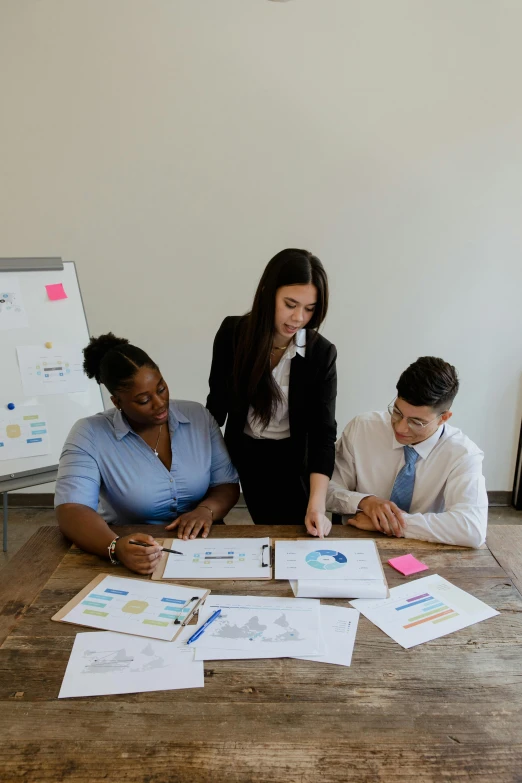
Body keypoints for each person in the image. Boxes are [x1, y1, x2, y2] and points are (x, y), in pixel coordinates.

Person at [55, 333, 239, 574]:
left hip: (202, 547)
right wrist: (114, 547)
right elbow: (72, 509)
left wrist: (207, 510)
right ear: (117, 401)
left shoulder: (197, 417)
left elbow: (226, 483)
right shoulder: (89, 433)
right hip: (131, 548)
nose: (160, 403)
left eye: (161, 388)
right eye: (143, 400)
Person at [207, 248, 337, 537]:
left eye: (310, 308)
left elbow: (323, 434)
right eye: (290, 304)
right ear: (267, 292)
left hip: (291, 461)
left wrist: (316, 505)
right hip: (243, 454)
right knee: (252, 534)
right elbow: (215, 407)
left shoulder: (318, 353)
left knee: (294, 535)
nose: (298, 318)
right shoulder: (233, 334)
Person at [326, 357, 488, 548]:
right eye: (397, 412)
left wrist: (393, 525)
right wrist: (365, 502)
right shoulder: (362, 428)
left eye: (416, 422)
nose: (401, 428)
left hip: (427, 547)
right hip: (357, 541)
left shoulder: (463, 454)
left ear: (443, 418)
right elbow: (325, 491)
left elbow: (472, 529)